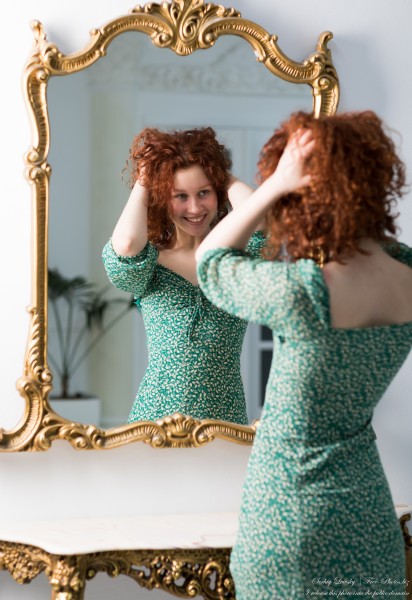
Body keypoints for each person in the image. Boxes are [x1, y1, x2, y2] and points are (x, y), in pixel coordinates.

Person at [195, 111, 412, 598]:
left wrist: (272, 188)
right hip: (371, 520)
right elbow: (383, 247)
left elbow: (211, 261)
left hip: (289, 519)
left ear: (300, 199)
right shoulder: (406, 278)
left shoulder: (302, 294)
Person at [102, 127, 265, 424]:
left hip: (224, 420)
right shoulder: (148, 264)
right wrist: (145, 179)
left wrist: (218, 172)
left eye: (204, 192)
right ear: (164, 199)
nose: (194, 208)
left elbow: (263, 219)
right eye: (180, 196)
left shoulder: (235, 259)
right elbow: (125, 245)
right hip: (155, 420)